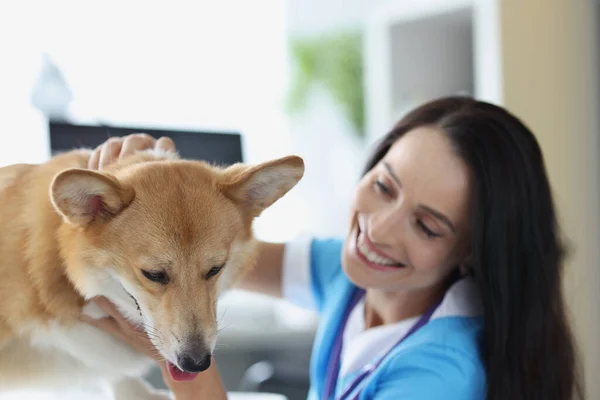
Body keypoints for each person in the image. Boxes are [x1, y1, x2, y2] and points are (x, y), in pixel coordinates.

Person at [84, 96, 583, 400]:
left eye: (426, 226)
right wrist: (156, 182)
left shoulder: (437, 375)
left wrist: (179, 359)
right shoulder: (357, 275)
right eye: (384, 186)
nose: (378, 231)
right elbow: (212, 253)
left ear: (474, 250)